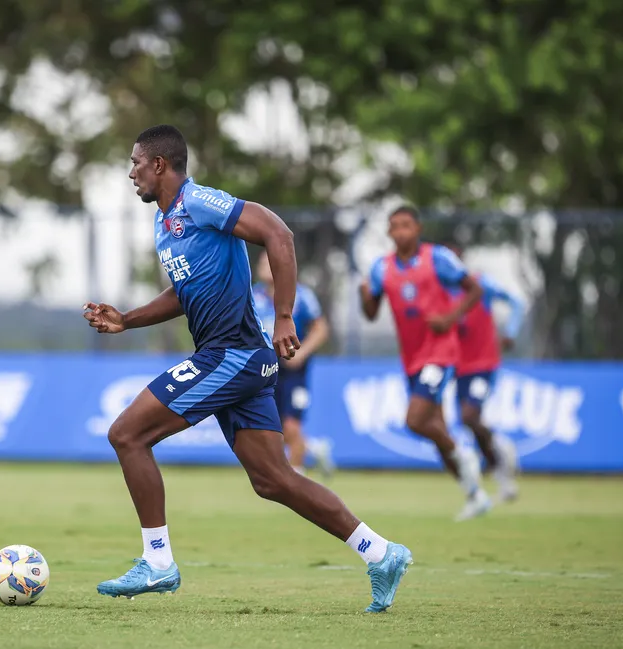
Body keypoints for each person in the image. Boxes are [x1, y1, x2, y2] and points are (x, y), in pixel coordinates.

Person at [83, 125, 412, 613]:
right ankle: (381, 553)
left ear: (159, 165)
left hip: (231, 356)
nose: (129, 173)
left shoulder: (200, 202)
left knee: (127, 435)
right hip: (240, 361)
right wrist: (128, 320)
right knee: (273, 480)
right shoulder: (165, 223)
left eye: (134, 163)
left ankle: (158, 564)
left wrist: (283, 316)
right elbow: (183, 293)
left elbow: (277, 232)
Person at [359, 206, 492, 521]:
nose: (401, 231)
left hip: (440, 352)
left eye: (406, 225)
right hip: (412, 357)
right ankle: (476, 495)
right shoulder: (382, 268)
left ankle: (465, 454)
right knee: (438, 434)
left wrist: (450, 318)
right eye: (394, 227)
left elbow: (474, 290)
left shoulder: (439, 258)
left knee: (415, 421)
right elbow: (371, 312)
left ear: (417, 228)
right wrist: (363, 293)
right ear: (389, 233)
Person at [443, 242, 524, 502]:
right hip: (458, 368)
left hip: (483, 364)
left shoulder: (481, 284)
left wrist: (510, 332)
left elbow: (516, 302)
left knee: (469, 416)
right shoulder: (439, 293)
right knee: (470, 424)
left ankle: (501, 448)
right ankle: (503, 471)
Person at [251, 252, 335, 477]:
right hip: (267, 370)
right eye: (261, 262)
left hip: (294, 371)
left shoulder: (301, 295)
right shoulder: (252, 296)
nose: (263, 266)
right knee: (277, 429)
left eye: (268, 262)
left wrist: (302, 353)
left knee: (291, 426)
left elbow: (321, 329)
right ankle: (315, 450)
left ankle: (296, 480)